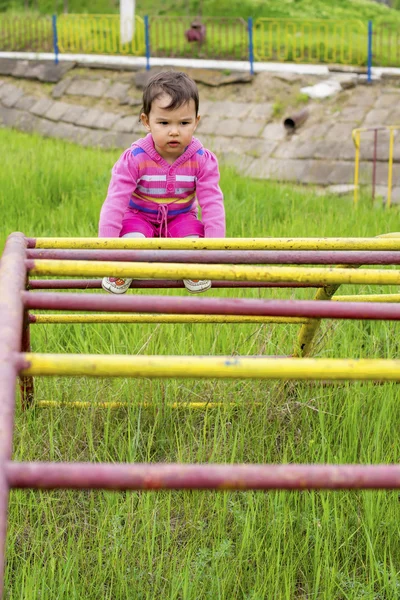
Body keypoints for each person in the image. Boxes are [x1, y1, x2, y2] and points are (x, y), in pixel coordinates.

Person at [99, 70, 225, 294]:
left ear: (196, 122)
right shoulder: (135, 158)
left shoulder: (201, 160)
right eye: (164, 123)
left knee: (192, 243)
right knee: (133, 242)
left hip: (181, 217)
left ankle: (194, 266)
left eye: (184, 123)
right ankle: (121, 268)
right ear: (147, 122)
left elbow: (212, 203)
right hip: (138, 217)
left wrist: (214, 248)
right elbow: (115, 202)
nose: (174, 131)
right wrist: (107, 247)